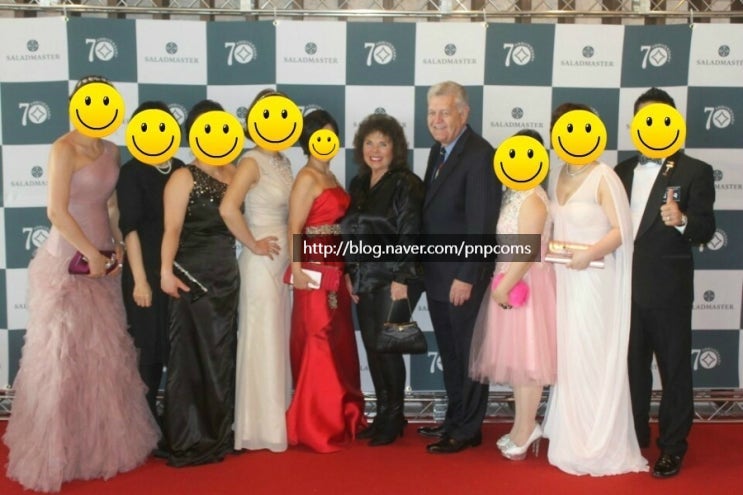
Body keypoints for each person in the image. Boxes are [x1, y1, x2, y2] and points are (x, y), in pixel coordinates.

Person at [3, 76, 159, 492]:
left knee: (101, 357)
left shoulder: (112, 149)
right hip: (66, 262)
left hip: (103, 264)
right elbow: (56, 211)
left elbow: (110, 204)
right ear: (76, 106)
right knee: (62, 358)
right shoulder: (63, 149)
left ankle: (98, 448)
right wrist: (89, 251)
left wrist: (114, 246)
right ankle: (57, 451)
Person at [615, 87, 716, 478]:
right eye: (644, 119)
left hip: (668, 289)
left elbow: (706, 228)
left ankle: (672, 446)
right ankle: (635, 435)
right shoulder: (622, 170)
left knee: (674, 371)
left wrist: (683, 220)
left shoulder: (695, 171)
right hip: (624, 289)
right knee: (631, 367)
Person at [542, 102, 648, 476]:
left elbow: (622, 230)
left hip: (596, 280)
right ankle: (573, 437)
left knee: (594, 355)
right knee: (571, 356)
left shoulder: (604, 177)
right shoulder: (557, 173)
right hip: (564, 280)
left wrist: (589, 254)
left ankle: (599, 442)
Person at [418, 81, 501, 454]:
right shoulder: (439, 150)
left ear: (464, 113)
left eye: (445, 112)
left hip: (461, 277)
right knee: (451, 354)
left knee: (468, 355)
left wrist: (466, 276)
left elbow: (481, 225)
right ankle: (455, 419)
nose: (436, 120)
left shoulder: (480, 155)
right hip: (437, 275)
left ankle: (468, 428)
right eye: (432, 112)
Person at [160, 99, 240, 467]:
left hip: (227, 276)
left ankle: (218, 433)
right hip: (192, 277)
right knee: (191, 357)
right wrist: (165, 271)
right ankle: (189, 437)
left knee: (221, 356)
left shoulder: (234, 171)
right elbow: (172, 229)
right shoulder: (183, 177)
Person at [469, 129, 556, 460]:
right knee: (519, 363)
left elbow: (529, 250)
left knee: (530, 363)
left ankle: (526, 428)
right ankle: (522, 426)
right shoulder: (512, 193)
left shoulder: (533, 198)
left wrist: (505, 286)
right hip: (508, 281)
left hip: (527, 285)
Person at [340, 113, 425, 446]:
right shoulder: (359, 184)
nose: (375, 150)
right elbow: (351, 232)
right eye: (369, 142)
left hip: (395, 277)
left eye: (383, 143)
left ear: (395, 148)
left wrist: (402, 277)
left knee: (388, 347)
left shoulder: (406, 182)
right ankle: (384, 415)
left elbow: (410, 231)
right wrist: (350, 273)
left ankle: (394, 417)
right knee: (373, 347)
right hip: (365, 277)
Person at [285, 109, 366, 453]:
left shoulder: (331, 175)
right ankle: (316, 424)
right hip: (314, 267)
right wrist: (297, 268)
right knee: (318, 337)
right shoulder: (306, 177)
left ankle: (342, 416)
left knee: (338, 340)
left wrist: (346, 272)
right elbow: (294, 226)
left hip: (336, 265)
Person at [220, 89, 294, 453]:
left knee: (277, 339)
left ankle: (277, 419)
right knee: (262, 340)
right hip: (261, 264)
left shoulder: (284, 161)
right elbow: (228, 208)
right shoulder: (250, 161)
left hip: (284, 262)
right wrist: (252, 243)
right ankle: (259, 428)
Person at [117, 101, 185, 422]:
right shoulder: (131, 172)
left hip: (175, 271)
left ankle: (173, 423)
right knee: (148, 351)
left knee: (175, 349)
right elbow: (129, 229)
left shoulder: (180, 167)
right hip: (144, 270)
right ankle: (145, 427)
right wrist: (141, 281)